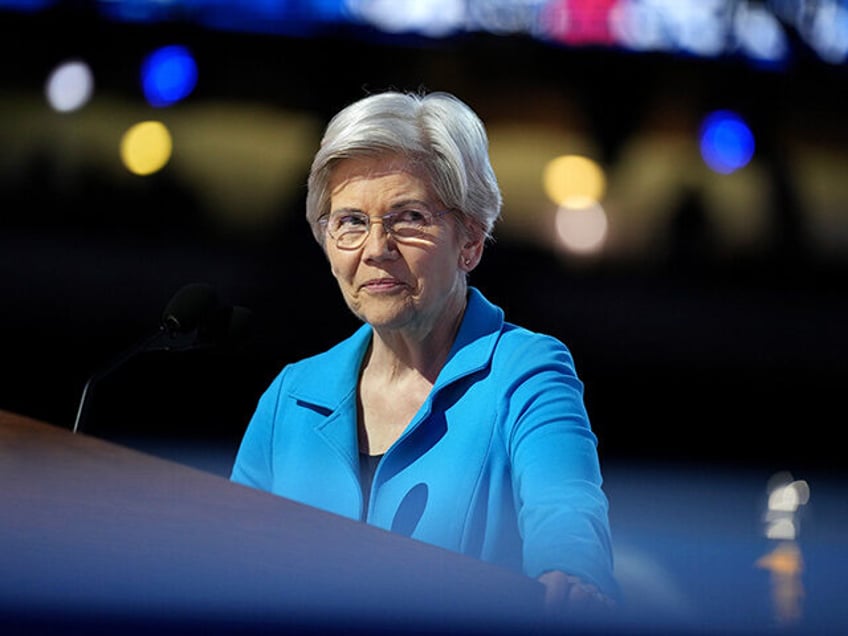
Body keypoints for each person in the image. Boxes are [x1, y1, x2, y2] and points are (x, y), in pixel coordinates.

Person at [230, 89, 619, 614]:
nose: (375, 249)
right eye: (349, 222)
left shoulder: (526, 374)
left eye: (407, 217)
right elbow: (227, 564)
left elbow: (567, 508)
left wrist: (570, 571)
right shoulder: (290, 397)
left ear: (471, 241)